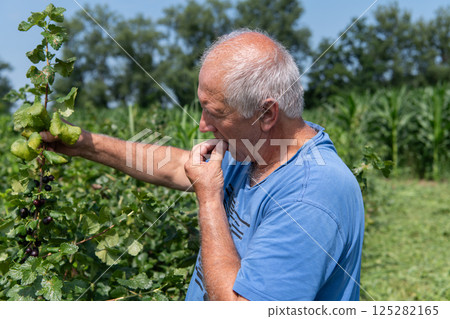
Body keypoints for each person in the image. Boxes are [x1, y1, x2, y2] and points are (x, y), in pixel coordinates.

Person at [41, 29, 364, 301]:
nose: (203, 125)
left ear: (267, 114)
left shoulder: (311, 197)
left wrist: (209, 198)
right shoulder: (255, 149)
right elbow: (177, 165)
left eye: (216, 112)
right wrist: (85, 144)